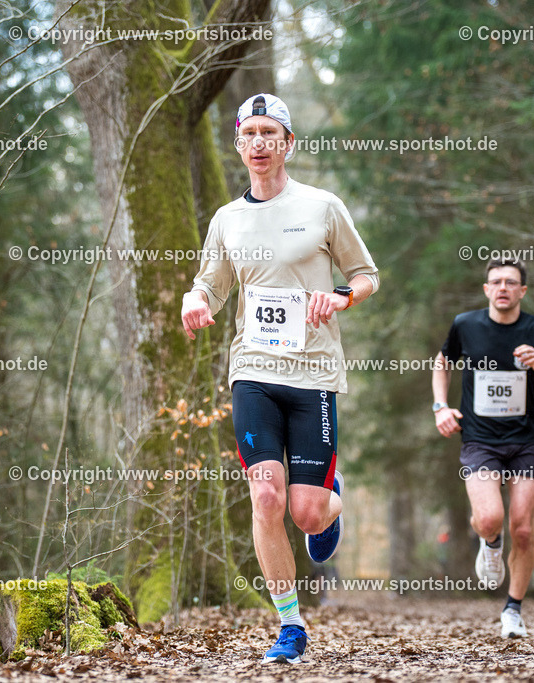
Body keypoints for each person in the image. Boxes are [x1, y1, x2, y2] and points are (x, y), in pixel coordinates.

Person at [181, 94, 379, 663]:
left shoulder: (322, 207)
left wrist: (341, 296)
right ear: (239, 144)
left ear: (288, 143)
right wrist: (195, 301)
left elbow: (366, 275)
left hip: (313, 373)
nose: (261, 143)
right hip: (254, 372)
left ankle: (329, 499)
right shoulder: (227, 219)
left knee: (306, 513)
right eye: (251, 133)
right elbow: (211, 284)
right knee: (265, 494)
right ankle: (290, 625)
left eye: (272, 132)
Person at [431, 258, 534, 638]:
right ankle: (490, 543)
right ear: (486, 289)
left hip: (525, 442)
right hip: (479, 440)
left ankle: (512, 609)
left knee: (523, 529)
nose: (503, 288)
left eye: (511, 282)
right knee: (491, 518)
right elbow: (442, 362)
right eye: (496, 282)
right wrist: (441, 407)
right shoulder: (466, 325)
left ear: (523, 291)